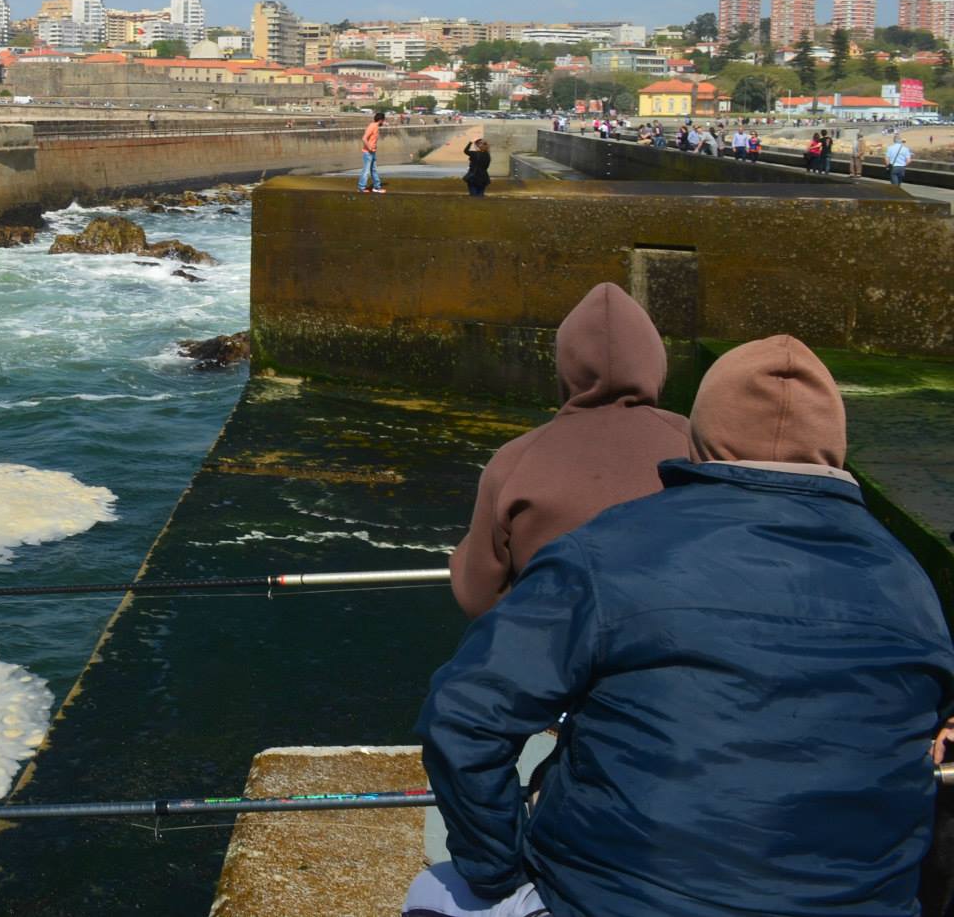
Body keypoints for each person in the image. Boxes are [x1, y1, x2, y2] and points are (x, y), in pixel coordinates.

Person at [409, 336, 954, 917]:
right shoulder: (908, 580)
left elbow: (466, 717)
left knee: (433, 892)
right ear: (836, 445)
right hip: (866, 904)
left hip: (614, 898)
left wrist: (499, 868)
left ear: (701, 435)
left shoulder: (607, 549)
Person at [447, 283, 689, 618]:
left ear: (565, 366)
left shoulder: (515, 458)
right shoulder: (695, 442)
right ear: (655, 362)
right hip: (676, 636)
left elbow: (479, 595)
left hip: (556, 642)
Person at [360, 110, 386, 194]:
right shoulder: (372, 126)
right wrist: (370, 148)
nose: (384, 122)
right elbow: (364, 138)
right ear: (381, 120)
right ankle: (361, 187)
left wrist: (372, 149)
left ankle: (376, 187)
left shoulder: (376, 126)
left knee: (373, 170)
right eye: (383, 121)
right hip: (368, 152)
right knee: (366, 171)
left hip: (372, 152)